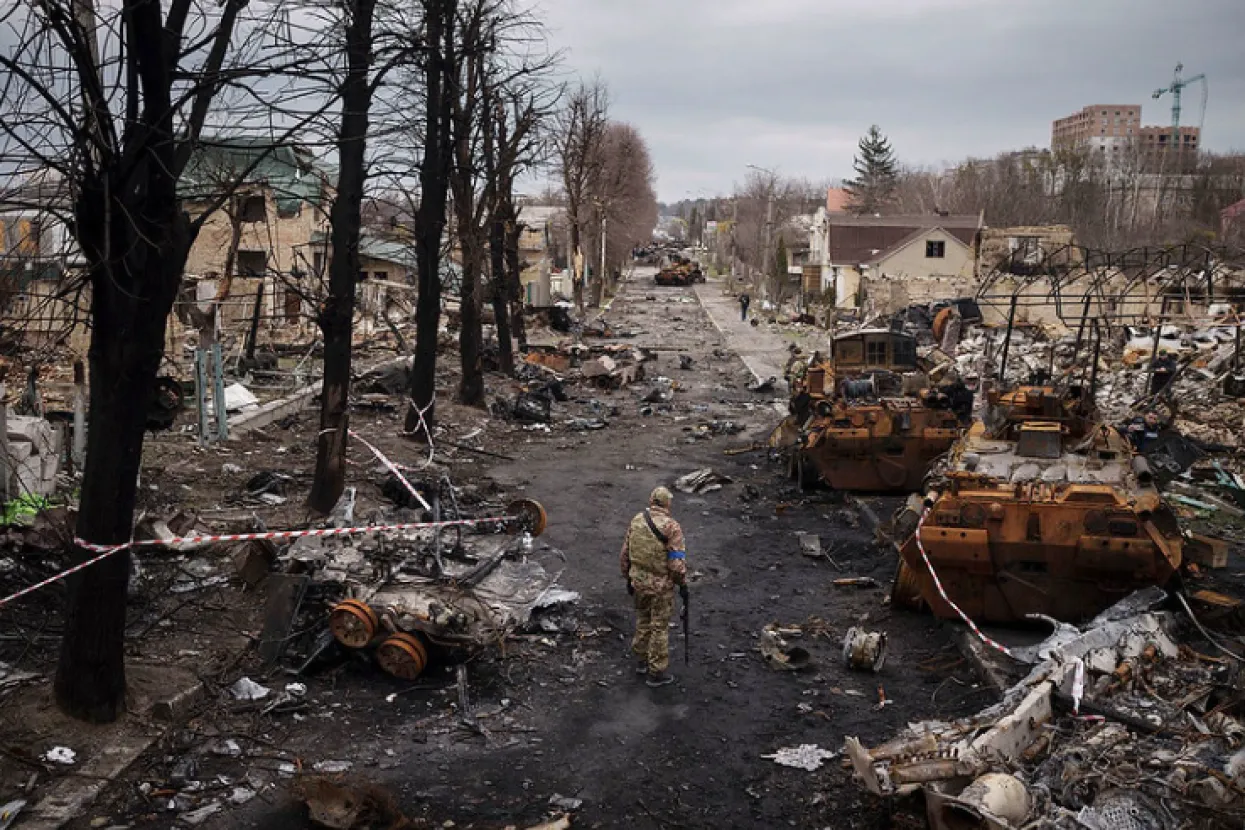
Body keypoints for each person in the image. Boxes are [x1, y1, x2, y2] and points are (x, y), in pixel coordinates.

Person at [620, 486, 688, 687]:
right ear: (668, 504)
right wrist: (682, 583)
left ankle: (640, 661)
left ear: (651, 500)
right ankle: (656, 672)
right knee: (659, 627)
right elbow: (676, 564)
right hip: (661, 588)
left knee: (642, 619)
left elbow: (625, 553)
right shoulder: (672, 527)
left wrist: (628, 577)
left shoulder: (637, 520)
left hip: (639, 583)